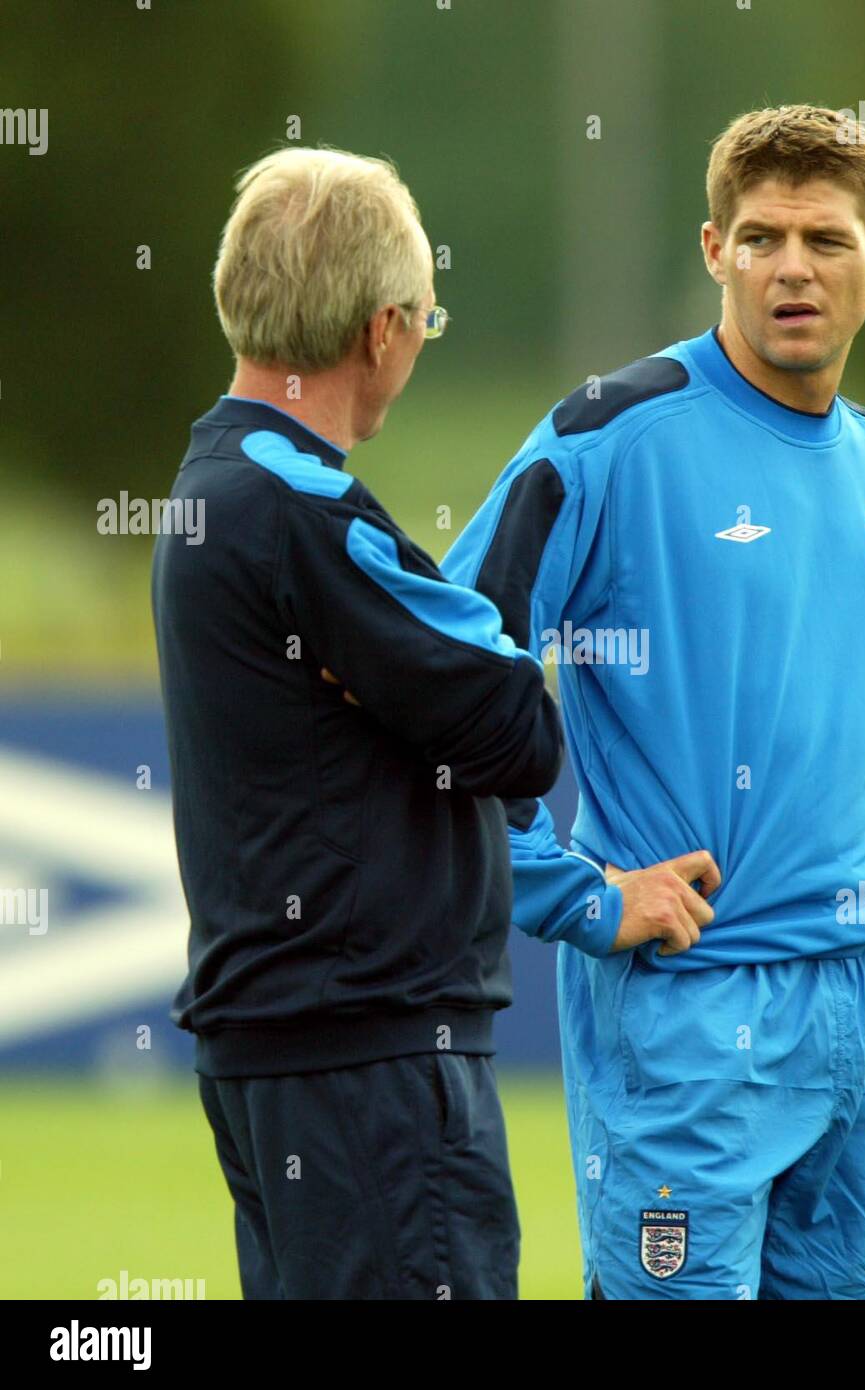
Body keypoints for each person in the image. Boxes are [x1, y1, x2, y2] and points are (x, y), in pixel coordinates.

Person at [442, 104, 865, 1299]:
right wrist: (570, 891)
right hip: (685, 1005)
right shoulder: (607, 438)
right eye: (760, 236)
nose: (790, 267)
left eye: (824, 239)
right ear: (712, 248)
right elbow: (448, 664)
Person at [152, 146, 566, 1299]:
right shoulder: (306, 507)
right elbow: (517, 729)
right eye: (424, 326)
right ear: (382, 327)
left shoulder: (211, 480)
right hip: (369, 1063)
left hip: (281, 1054)